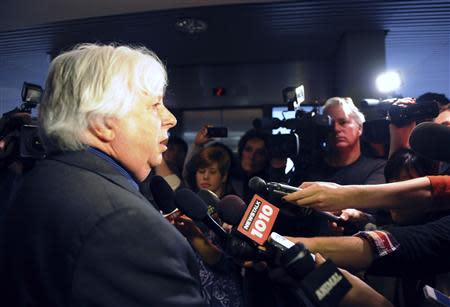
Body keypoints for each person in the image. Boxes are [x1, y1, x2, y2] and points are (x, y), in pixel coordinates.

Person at [0, 44, 207, 306]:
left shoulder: (41, 179)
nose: (170, 119)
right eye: (155, 104)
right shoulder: (124, 223)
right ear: (103, 123)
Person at [293, 97, 386, 186]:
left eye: (343, 122)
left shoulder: (377, 168)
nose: (336, 129)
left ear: (360, 128)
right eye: (330, 123)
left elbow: (367, 200)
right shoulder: (310, 169)